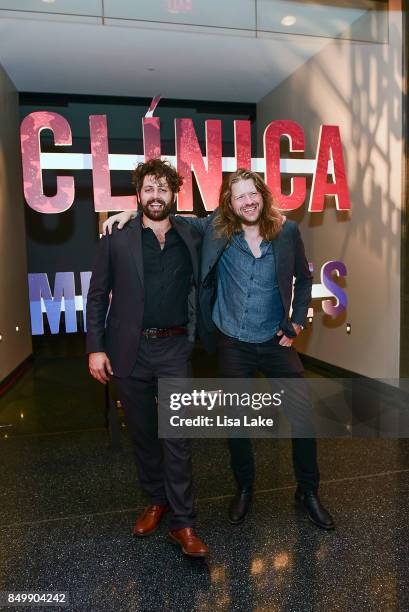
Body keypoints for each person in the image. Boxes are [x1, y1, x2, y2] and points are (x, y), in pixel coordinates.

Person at [104, 167, 335, 531]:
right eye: (239, 195)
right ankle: (244, 488)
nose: (247, 201)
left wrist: (299, 321)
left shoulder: (287, 232)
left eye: (252, 193)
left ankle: (308, 491)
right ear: (229, 202)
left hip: (276, 342)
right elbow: (165, 216)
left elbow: (304, 280)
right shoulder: (216, 230)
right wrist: (131, 213)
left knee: (303, 419)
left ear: (262, 194)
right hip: (233, 344)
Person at [87, 159, 209, 558]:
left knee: (177, 436)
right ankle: (156, 500)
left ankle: (184, 522)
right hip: (129, 351)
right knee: (142, 433)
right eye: (148, 189)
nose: (156, 196)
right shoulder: (116, 237)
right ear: (138, 194)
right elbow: (96, 296)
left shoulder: (191, 233)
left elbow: (226, 219)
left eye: (163, 188)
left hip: (174, 348)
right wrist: (95, 347)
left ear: (175, 193)